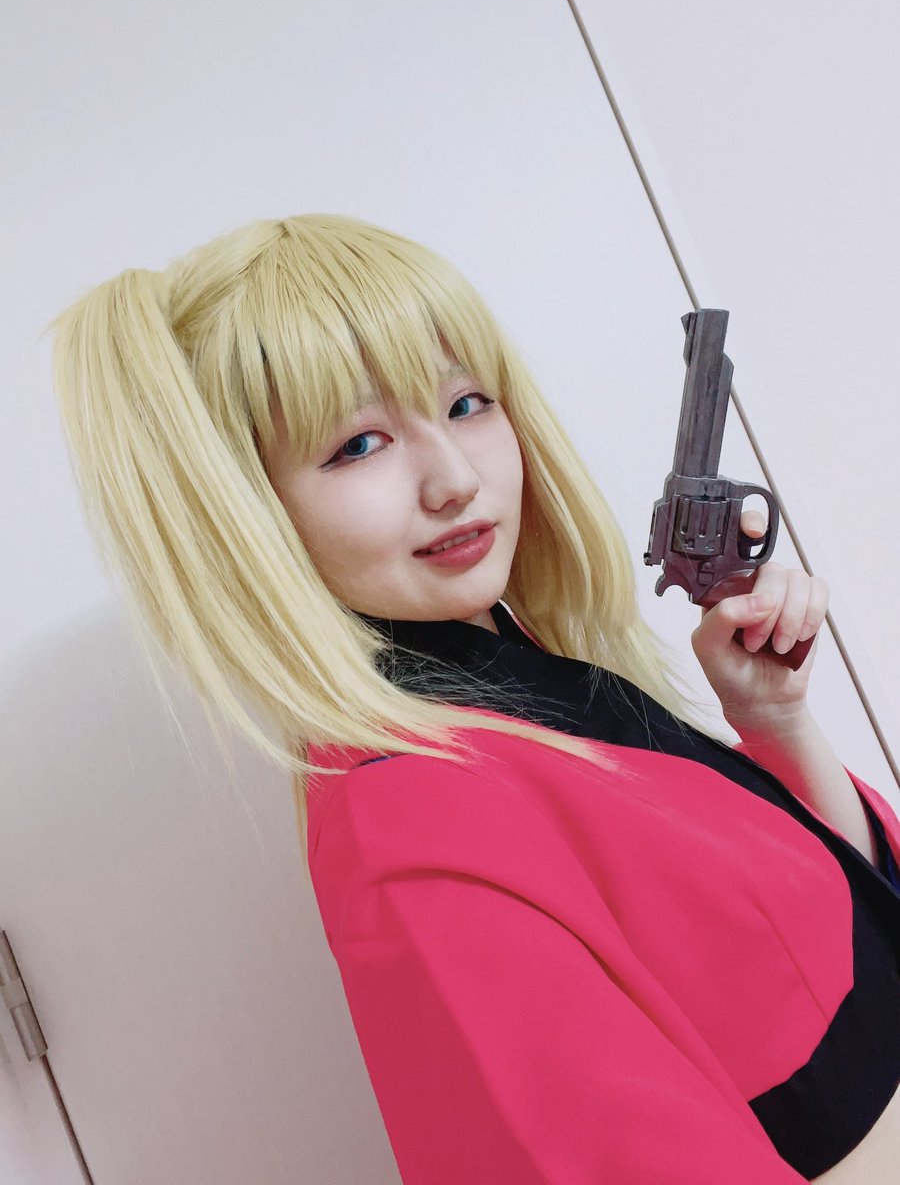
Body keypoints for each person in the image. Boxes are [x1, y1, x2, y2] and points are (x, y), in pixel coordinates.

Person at [51, 213, 899, 1182]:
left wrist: (775, 724)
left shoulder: (533, 689)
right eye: (359, 445)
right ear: (251, 512)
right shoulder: (407, 819)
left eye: (465, 404)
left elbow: (852, 942)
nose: (454, 479)